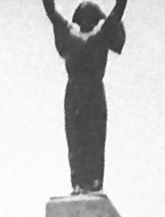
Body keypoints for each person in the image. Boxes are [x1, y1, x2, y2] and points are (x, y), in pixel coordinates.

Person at [41, 0, 127, 194]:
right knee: (76, 139)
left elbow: (118, 11)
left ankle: (94, 182)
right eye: (84, 13)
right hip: (76, 93)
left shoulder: (101, 33)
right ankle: (78, 182)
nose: (86, 16)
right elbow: (51, 12)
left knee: (94, 138)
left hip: (91, 91)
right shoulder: (70, 33)